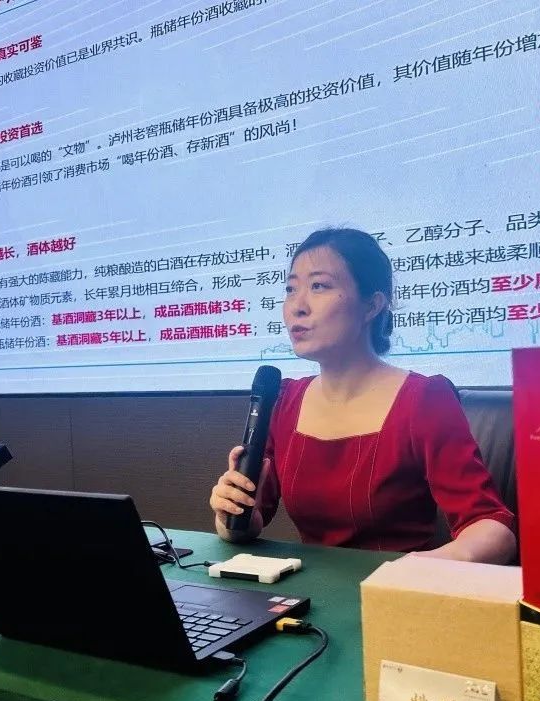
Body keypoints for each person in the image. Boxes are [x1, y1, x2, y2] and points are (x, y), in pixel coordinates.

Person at [209, 228, 516, 564]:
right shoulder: (284, 400)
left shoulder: (423, 399)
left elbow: (492, 528)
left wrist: (416, 570)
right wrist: (232, 516)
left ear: (372, 305)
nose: (297, 306)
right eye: (290, 289)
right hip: (308, 590)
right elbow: (251, 521)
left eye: (319, 286)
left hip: (395, 588)